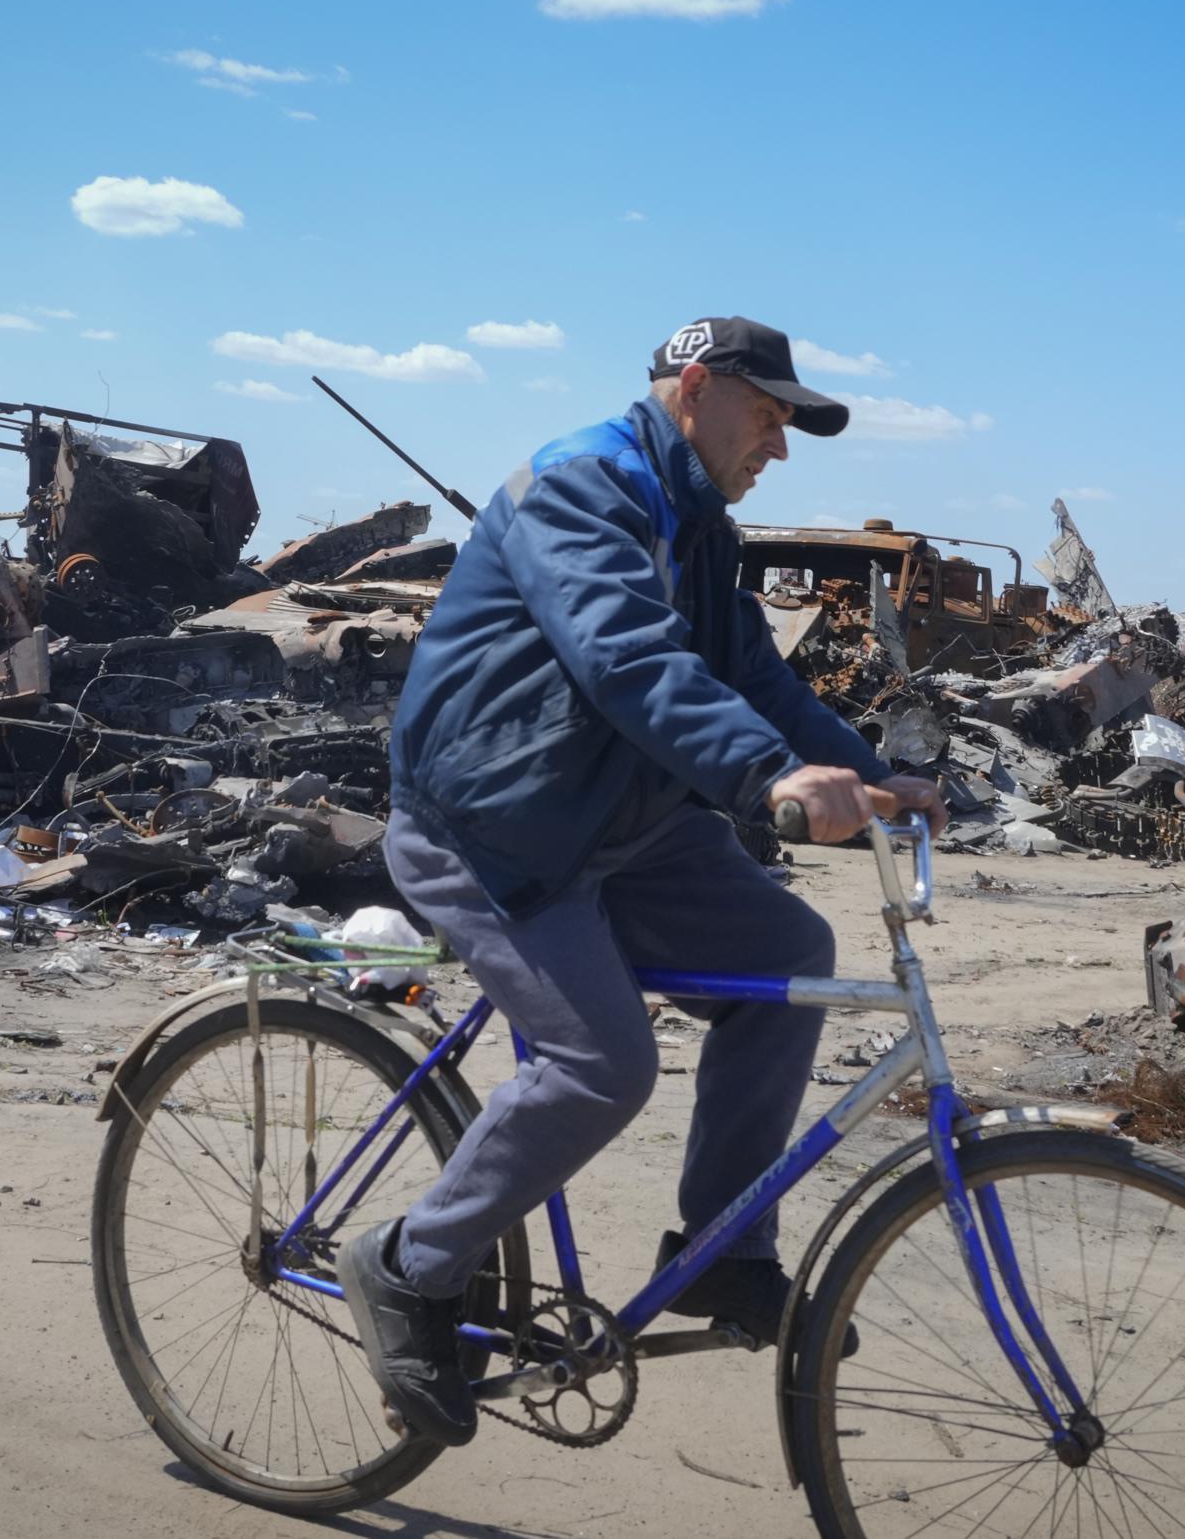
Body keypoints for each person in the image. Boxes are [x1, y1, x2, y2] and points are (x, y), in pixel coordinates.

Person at [341, 316, 939, 1445]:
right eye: (768, 414)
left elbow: (754, 674)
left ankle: (725, 1248)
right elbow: (625, 656)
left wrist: (875, 772)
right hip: (496, 825)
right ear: (695, 389)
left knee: (790, 957)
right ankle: (409, 1262)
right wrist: (770, 777)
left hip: (619, 825)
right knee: (600, 1063)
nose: (781, 443)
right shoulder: (585, 486)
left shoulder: (700, 524)